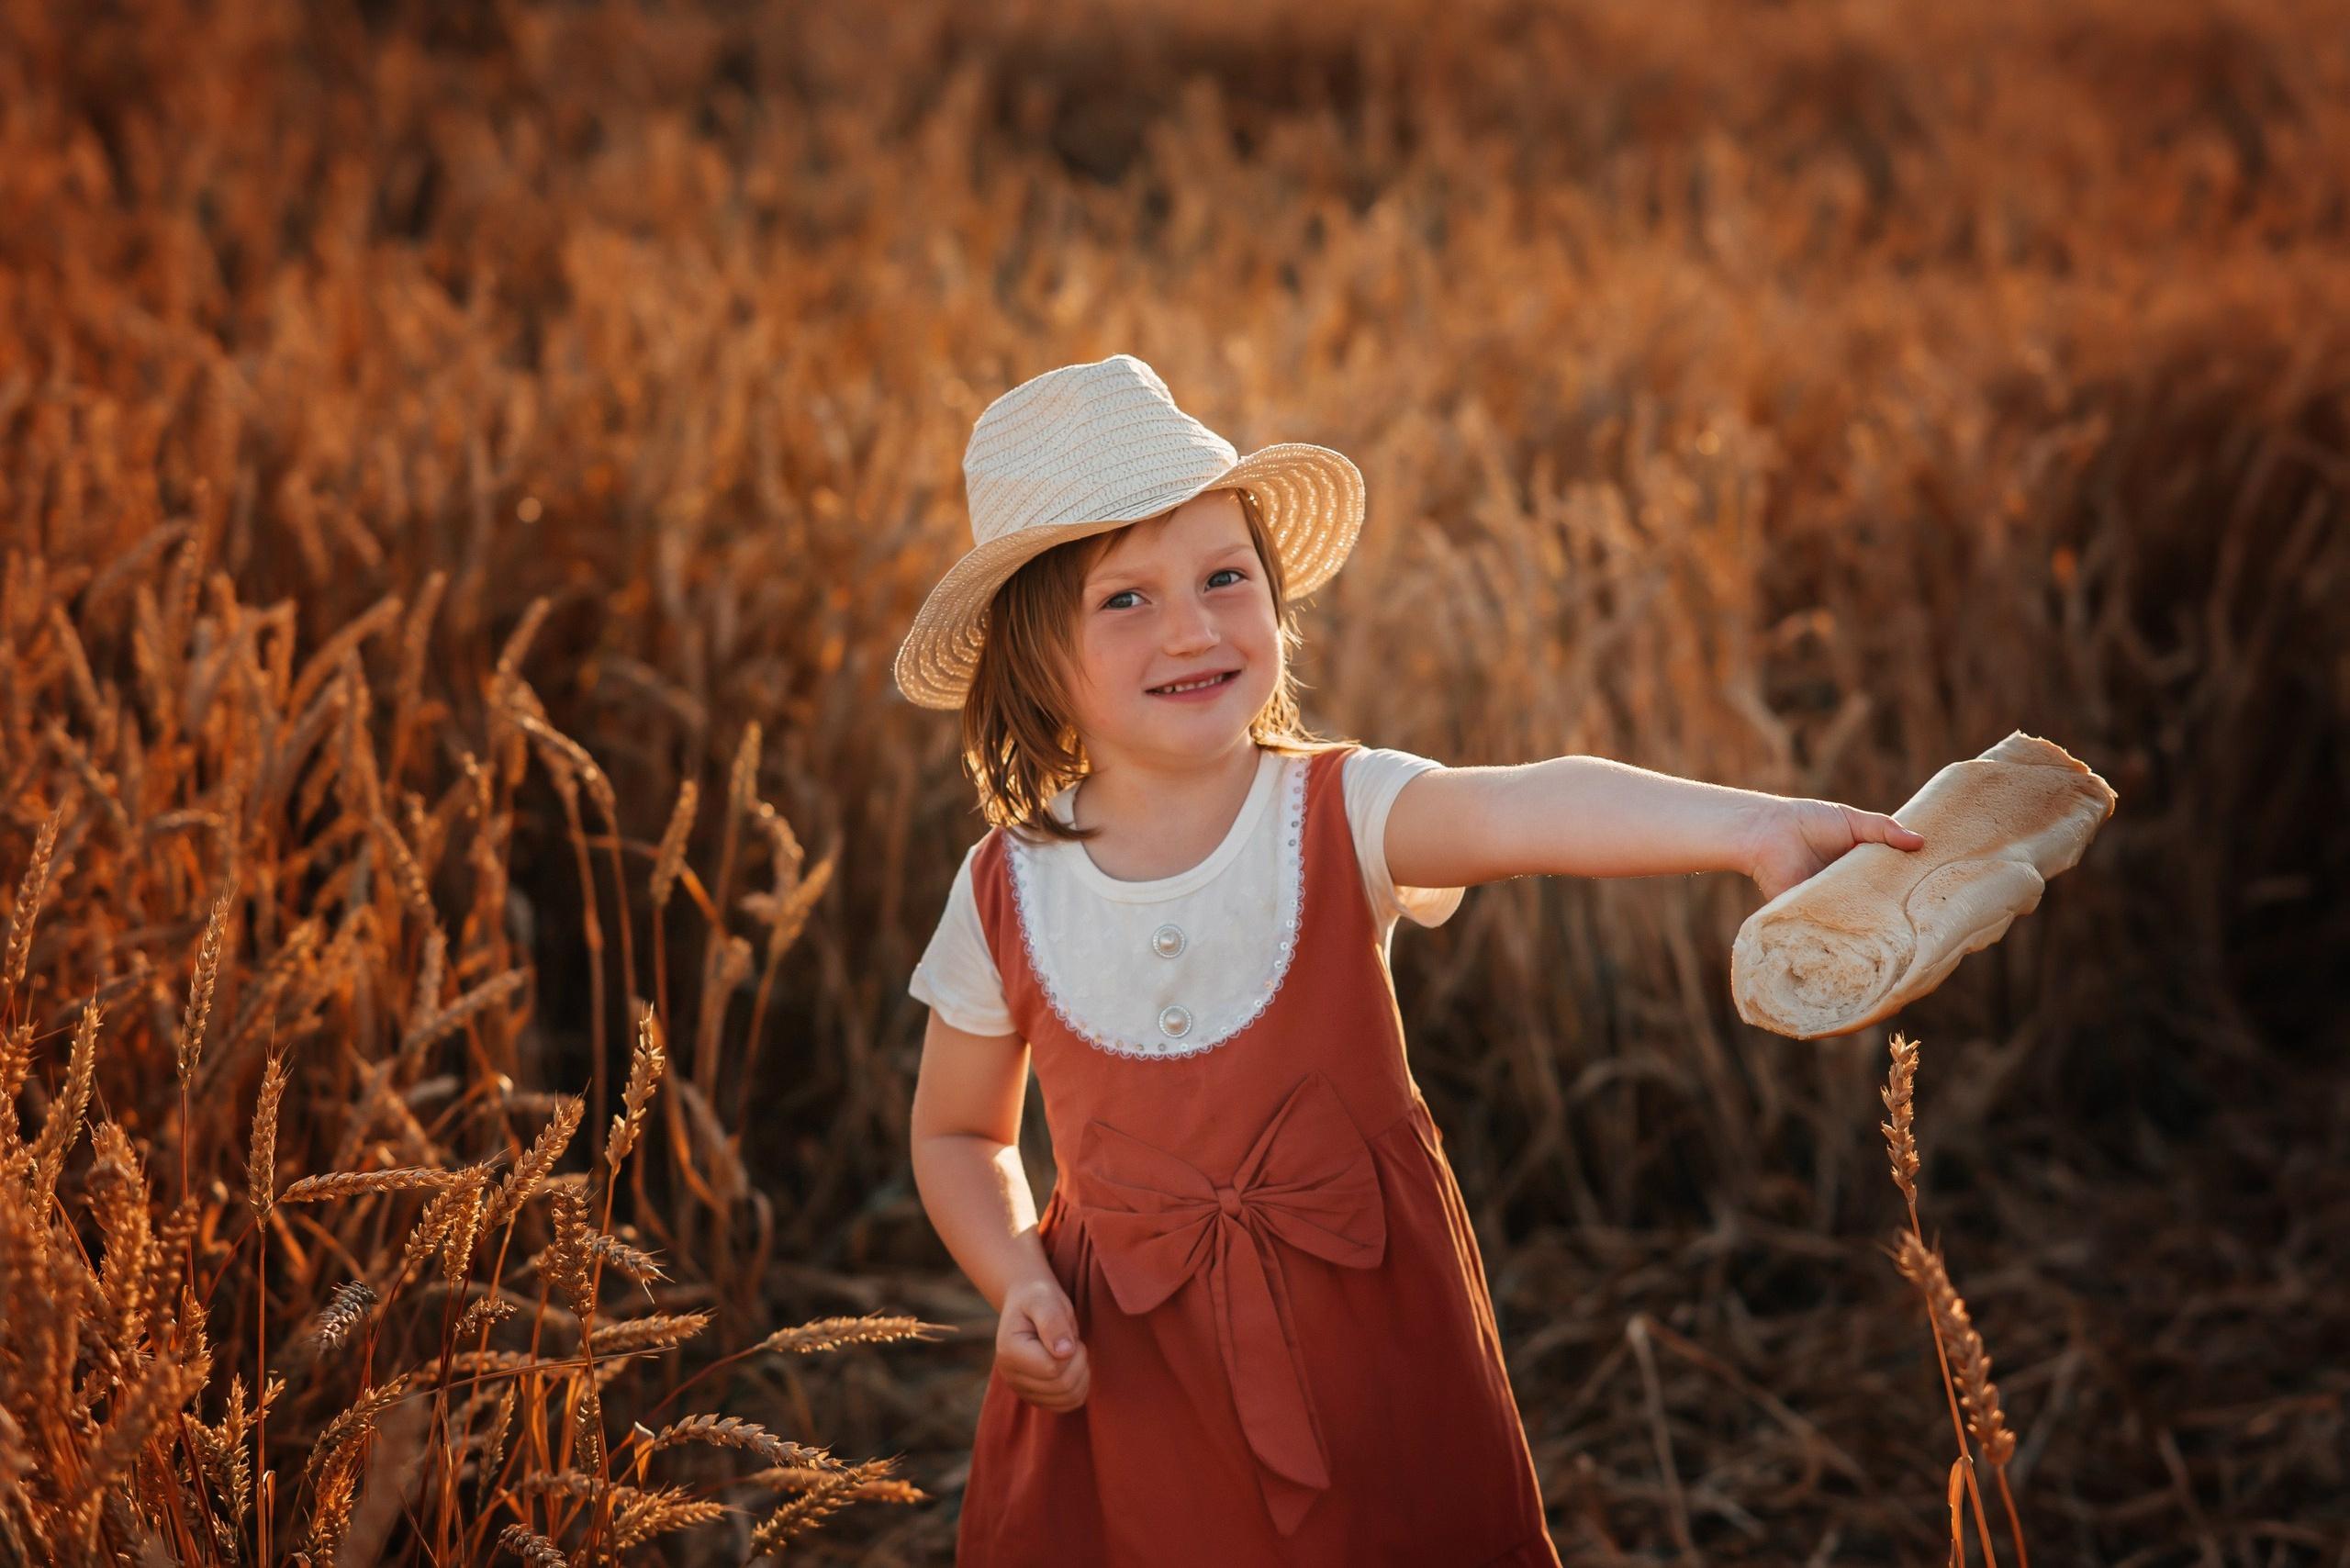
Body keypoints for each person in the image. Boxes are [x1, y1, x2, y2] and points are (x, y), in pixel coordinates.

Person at [898, 355, 1923, 1566]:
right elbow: (960, 1136)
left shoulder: (1339, 812)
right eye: (1126, 599)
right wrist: (1017, 1280)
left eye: (1227, 578)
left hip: (1371, 1354)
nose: (1193, 627)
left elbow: (1530, 807)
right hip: (1125, 1380)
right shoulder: (1002, 892)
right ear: (1033, 661)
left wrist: (1747, 828)